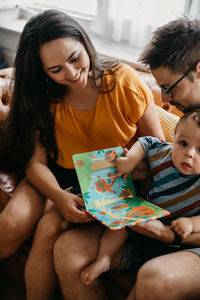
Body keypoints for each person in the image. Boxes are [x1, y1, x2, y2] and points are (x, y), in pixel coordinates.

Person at [4, 9, 164, 300]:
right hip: (60, 174)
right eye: (56, 70)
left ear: (85, 43)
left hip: (109, 178)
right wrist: (59, 196)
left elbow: (158, 146)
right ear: (43, 72)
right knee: (32, 228)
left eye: (74, 58)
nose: (72, 73)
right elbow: (36, 164)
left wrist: (138, 169)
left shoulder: (123, 81)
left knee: (48, 228)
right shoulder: (44, 94)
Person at [54, 17, 200, 300]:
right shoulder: (188, 117)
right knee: (68, 249)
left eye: (171, 88)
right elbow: (157, 155)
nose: (167, 100)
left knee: (157, 279)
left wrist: (173, 235)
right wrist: (135, 173)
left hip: (190, 241)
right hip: (155, 226)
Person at [80, 109, 200, 286]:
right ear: (173, 139)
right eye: (183, 143)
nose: (189, 153)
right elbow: (146, 142)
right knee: (121, 224)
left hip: (175, 239)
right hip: (146, 216)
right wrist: (130, 160)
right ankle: (103, 259)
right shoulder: (163, 154)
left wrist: (191, 224)